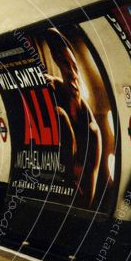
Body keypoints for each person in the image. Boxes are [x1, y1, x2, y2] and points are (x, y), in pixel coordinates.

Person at [44, 28, 102, 208]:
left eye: (73, 66)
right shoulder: (56, 87)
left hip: (76, 199)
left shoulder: (91, 131)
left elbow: (86, 200)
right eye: (64, 65)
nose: (72, 74)